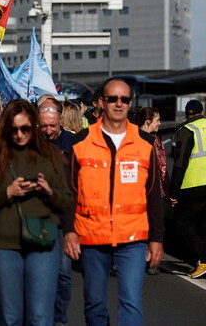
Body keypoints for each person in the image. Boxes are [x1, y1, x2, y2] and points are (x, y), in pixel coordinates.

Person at [64, 78, 164, 326]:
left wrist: (157, 238)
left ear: (130, 104)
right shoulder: (81, 142)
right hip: (92, 237)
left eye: (124, 99)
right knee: (95, 303)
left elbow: (153, 194)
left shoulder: (145, 143)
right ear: (102, 102)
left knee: (131, 301)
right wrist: (69, 231)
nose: (119, 104)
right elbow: (69, 192)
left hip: (133, 238)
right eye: (112, 98)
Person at [0, 100, 72, 326]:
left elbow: (66, 202)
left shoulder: (51, 156)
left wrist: (48, 191)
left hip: (42, 241)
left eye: (25, 128)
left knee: (39, 317)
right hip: (3, 245)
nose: (19, 134)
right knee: (12, 318)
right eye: (14, 129)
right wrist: (7, 192)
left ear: (33, 126)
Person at [37, 99, 74, 326]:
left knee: (63, 274)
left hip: (65, 218)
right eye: (44, 126)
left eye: (53, 126)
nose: (49, 131)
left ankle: (58, 317)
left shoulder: (74, 142)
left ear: (60, 120)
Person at [169, 99, 206, 278]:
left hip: (193, 185)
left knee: (182, 225)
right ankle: (201, 262)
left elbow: (179, 164)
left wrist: (173, 192)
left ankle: (203, 260)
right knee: (203, 226)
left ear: (186, 114)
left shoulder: (186, 130)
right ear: (202, 111)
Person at [137, 107, 170, 275]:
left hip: (136, 189)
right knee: (152, 224)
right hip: (149, 190)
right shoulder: (154, 141)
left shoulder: (131, 137)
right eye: (157, 120)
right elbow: (162, 167)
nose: (160, 123)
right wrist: (166, 189)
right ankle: (152, 262)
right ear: (148, 122)